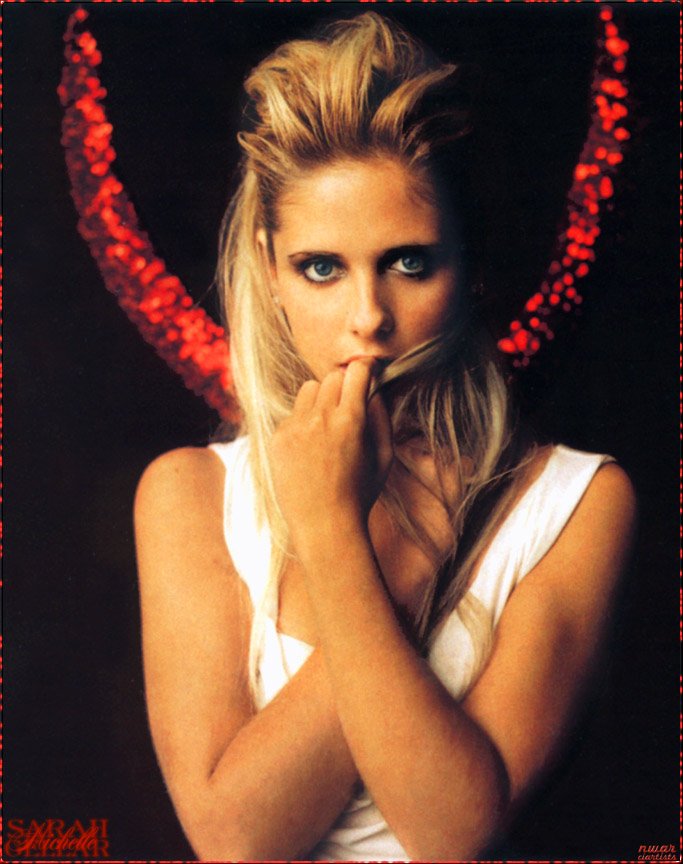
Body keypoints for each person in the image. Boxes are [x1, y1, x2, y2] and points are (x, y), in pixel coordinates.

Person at [133, 13, 636, 862]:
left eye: (408, 263)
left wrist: (338, 534)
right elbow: (235, 841)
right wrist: (345, 525)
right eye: (320, 268)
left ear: (470, 262)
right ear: (269, 269)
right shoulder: (188, 495)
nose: (367, 318)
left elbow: (452, 834)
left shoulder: (577, 504)